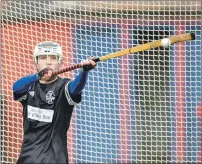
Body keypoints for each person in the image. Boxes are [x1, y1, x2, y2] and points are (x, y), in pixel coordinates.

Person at [12, 41, 96, 164]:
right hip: (27, 158)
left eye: (53, 58)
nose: (48, 62)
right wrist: (37, 76)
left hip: (55, 159)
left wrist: (84, 72)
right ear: (35, 62)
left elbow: (76, 87)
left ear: (60, 63)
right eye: (42, 58)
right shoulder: (29, 86)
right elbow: (16, 88)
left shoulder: (64, 87)